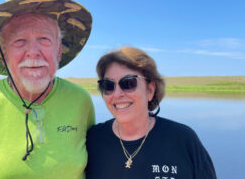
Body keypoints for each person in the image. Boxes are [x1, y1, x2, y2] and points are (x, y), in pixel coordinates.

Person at [0, 0, 95, 179]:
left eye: (44, 39)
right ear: (3, 55)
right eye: (19, 40)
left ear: (58, 52)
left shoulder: (81, 100)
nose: (33, 52)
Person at [86, 46, 217, 179]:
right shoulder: (92, 139)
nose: (117, 94)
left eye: (129, 83)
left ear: (150, 90)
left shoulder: (183, 139)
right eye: (108, 85)